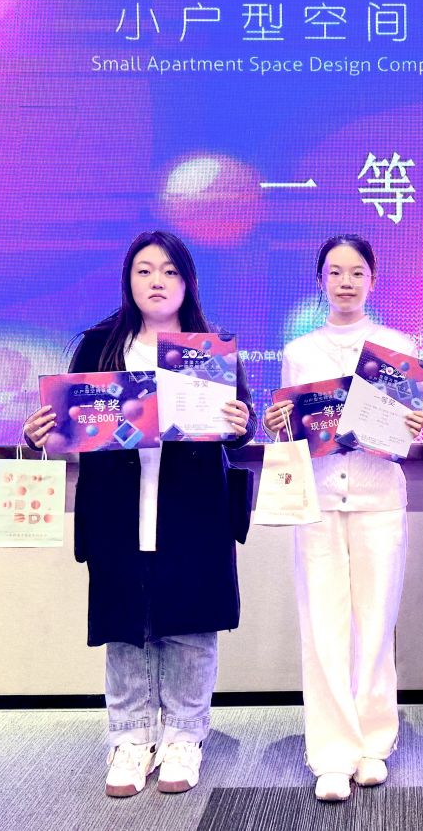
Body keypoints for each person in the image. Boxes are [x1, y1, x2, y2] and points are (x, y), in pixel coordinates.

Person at [22, 230, 256, 798]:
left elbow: (238, 428)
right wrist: (39, 435)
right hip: (116, 508)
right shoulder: (97, 346)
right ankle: (130, 738)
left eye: (170, 271)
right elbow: (69, 424)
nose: (157, 281)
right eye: (145, 270)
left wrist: (240, 425)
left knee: (191, 625)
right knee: (125, 627)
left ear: (187, 282)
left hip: (192, 507)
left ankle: (184, 736)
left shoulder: (209, 351)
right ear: (128, 280)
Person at [262, 235, 423, 802]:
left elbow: (404, 432)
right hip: (319, 499)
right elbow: (291, 432)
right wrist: (278, 423)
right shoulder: (299, 351)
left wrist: (409, 425)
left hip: (380, 496)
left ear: (373, 280)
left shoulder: (396, 347)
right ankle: (332, 753)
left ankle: (374, 743)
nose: (346, 282)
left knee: (376, 624)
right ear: (320, 281)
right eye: (335, 272)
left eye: (357, 272)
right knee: (324, 626)